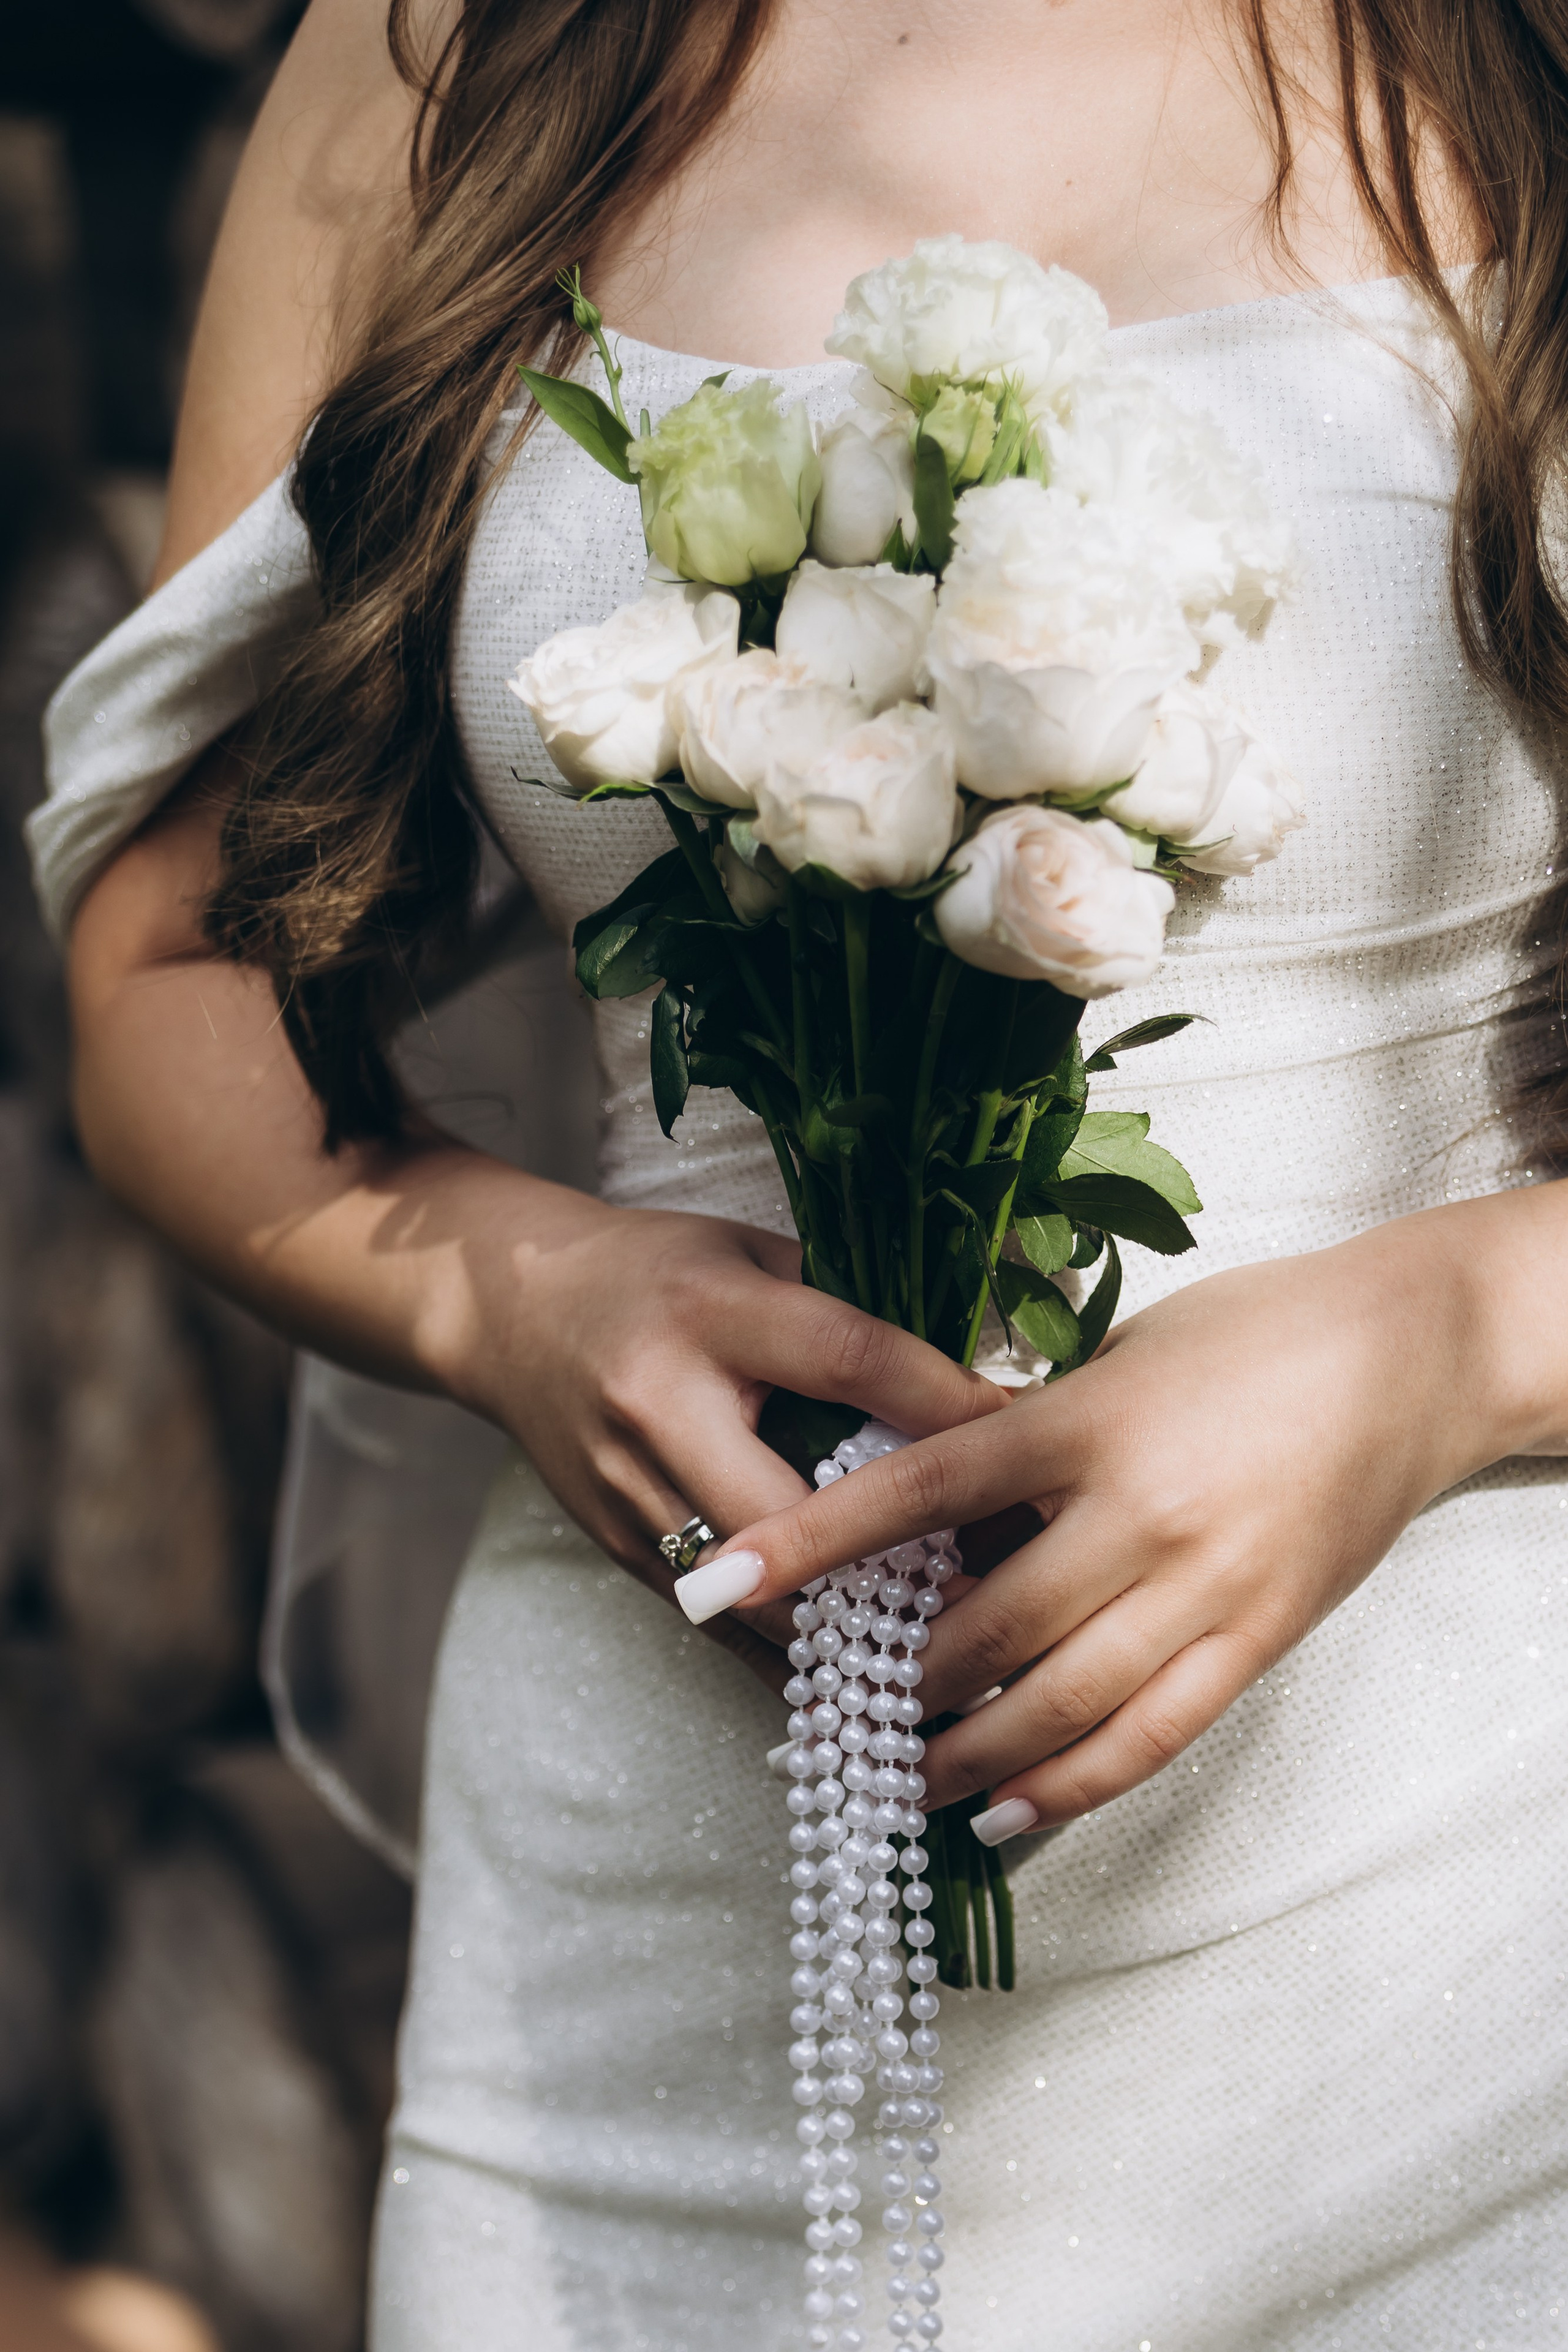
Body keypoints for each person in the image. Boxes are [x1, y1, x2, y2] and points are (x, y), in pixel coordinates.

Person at [31, 0, 1568, 2343]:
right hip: (649, 1990)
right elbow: (171, 967)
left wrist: (1451, 1342)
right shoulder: (441, 49)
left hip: (1466, 1985)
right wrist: (506, 1292)